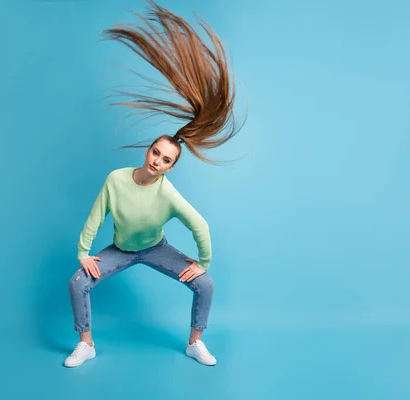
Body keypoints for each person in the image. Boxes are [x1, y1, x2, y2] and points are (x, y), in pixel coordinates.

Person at [64, 0, 243, 368]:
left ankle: (195, 343)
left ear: (169, 167)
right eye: (155, 152)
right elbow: (95, 217)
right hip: (121, 249)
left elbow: (200, 226)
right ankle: (86, 344)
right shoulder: (116, 179)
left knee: (205, 284)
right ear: (148, 149)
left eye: (165, 160)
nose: (157, 160)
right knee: (77, 283)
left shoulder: (167, 193)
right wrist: (84, 252)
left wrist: (203, 262)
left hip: (155, 249)